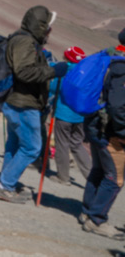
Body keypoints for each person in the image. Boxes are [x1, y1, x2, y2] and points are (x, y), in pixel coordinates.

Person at [0, 6, 68, 204]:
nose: (50, 30)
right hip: (23, 103)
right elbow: (24, 72)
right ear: (41, 26)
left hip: (16, 101)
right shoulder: (25, 42)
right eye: (48, 26)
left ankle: (5, 181)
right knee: (32, 148)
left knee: (15, 144)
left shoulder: (22, 39)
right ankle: (6, 185)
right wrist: (53, 71)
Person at [80, 28, 125, 238]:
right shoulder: (122, 68)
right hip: (111, 132)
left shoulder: (110, 57)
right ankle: (97, 220)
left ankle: (87, 212)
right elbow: (118, 108)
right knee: (114, 179)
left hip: (96, 124)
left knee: (98, 170)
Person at [48, 46, 92, 186]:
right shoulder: (86, 73)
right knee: (77, 144)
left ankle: (63, 177)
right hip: (80, 115)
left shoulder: (63, 70)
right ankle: (91, 177)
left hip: (63, 113)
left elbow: (53, 89)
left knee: (62, 144)